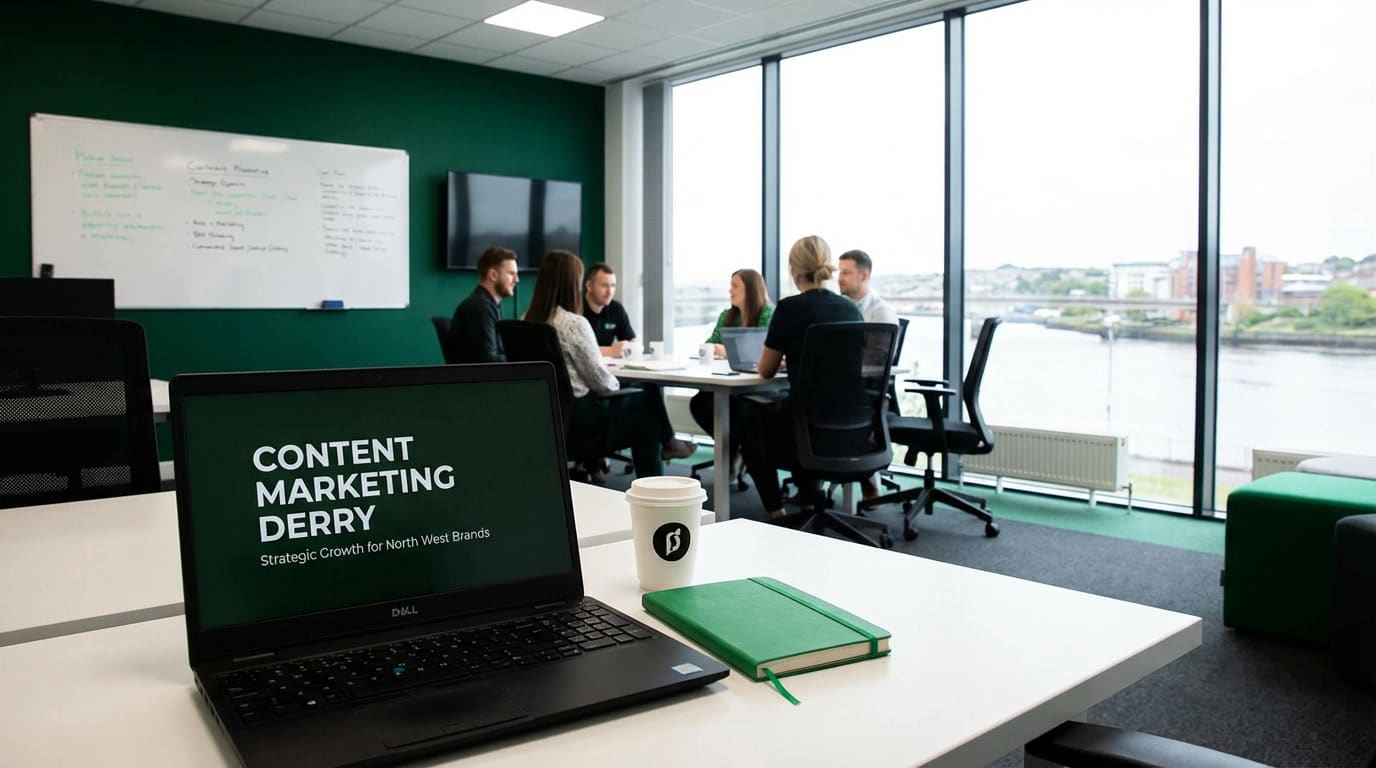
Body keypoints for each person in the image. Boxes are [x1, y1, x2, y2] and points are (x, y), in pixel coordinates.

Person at [525, 251, 693, 479]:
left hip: (544, 417)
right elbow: (602, 383)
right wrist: (618, 384)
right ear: (573, 283)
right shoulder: (573, 323)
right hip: (580, 419)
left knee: (643, 398)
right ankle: (655, 491)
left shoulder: (526, 321)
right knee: (647, 416)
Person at [739, 235, 863, 519]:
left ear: (793, 270)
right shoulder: (851, 309)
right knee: (798, 411)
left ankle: (777, 512)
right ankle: (808, 503)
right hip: (852, 426)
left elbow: (765, 370)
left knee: (748, 422)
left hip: (806, 426)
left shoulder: (790, 308)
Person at [688, 268, 772, 448]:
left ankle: (735, 452)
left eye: (735, 286)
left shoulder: (767, 314)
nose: (730, 290)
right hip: (727, 380)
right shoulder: (727, 316)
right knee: (700, 403)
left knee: (738, 407)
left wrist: (726, 351)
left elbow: (764, 352)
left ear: (750, 289)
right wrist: (713, 349)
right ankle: (732, 451)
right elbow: (709, 344)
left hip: (756, 385)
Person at [448, 246, 518, 363]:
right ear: (493, 275)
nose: (517, 280)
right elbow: (488, 361)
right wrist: (520, 360)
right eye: (511, 274)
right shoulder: (481, 308)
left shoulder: (486, 304)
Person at [582, 263, 635, 358]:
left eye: (613, 285)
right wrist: (610, 351)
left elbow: (632, 342)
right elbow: (575, 351)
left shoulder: (616, 308)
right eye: (604, 286)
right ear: (589, 286)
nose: (610, 292)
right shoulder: (575, 308)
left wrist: (633, 346)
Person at [837, 249, 899, 326]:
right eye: (840, 272)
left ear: (863, 276)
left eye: (845, 273)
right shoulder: (840, 306)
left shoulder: (881, 312)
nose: (839, 278)